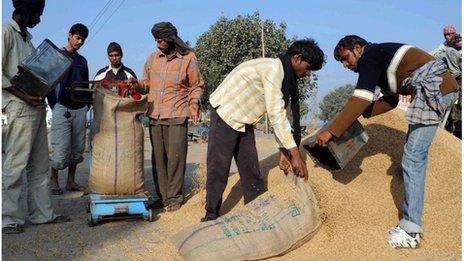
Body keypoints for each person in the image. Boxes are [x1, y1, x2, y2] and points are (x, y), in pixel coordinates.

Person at [315, 35, 459, 248]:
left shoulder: (370, 56)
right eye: (342, 62)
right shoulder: (381, 63)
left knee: (413, 158)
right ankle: (410, 224)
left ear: (357, 48)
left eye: (345, 58)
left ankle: (411, 231)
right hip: (434, 89)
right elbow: (390, 100)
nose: (345, 65)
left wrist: (331, 132)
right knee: (413, 156)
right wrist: (365, 112)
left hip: (434, 89)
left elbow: (360, 98)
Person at [201, 39, 326, 222]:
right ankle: (211, 214)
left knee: (250, 167)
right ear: (297, 58)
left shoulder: (285, 75)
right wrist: (294, 153)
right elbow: (275, 113)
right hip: (226, 113)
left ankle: (255, 211)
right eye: (308, 68)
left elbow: (280, 113)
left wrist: (283, 149)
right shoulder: (273, 69)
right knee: (219, 166)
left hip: (245, 118)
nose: (307, 74)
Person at [2, 0, 70, 234]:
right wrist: (24, 96)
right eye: (37, 15)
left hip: (35, 108)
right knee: (15, 164)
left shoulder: (28, 40)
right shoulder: (4, 33)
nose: (39, 19)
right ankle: (9, 219)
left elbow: (37, 75)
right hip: (17, 108)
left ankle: (42, 214)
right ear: (25, 12)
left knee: (40, 165)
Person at [128, 22, 204, 212]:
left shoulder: (188, 58)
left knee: (175, 158)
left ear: (171, 39)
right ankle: (162, 197)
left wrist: (193, 104)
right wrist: (137, 85)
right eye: (155, 40)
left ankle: (175, 197)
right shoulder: (152, 59)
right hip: (155, 116)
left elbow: (196, 85)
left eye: (160, 40)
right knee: (158, 160)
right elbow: (146, 84)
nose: (157, 44)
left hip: (177, 115)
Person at [46, 23, 89, 195]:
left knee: (77, 148)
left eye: (83, 39)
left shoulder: (82, 60)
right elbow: (49, 83)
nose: (80, 42)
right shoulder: (58, 57)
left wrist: (86, 106)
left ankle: (71, 181)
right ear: (70, 35)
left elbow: (85, 84)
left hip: (80, 108)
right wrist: (54, 104)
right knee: (61, 148)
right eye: (78, 37)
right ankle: (53, 179)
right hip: (62, 108)